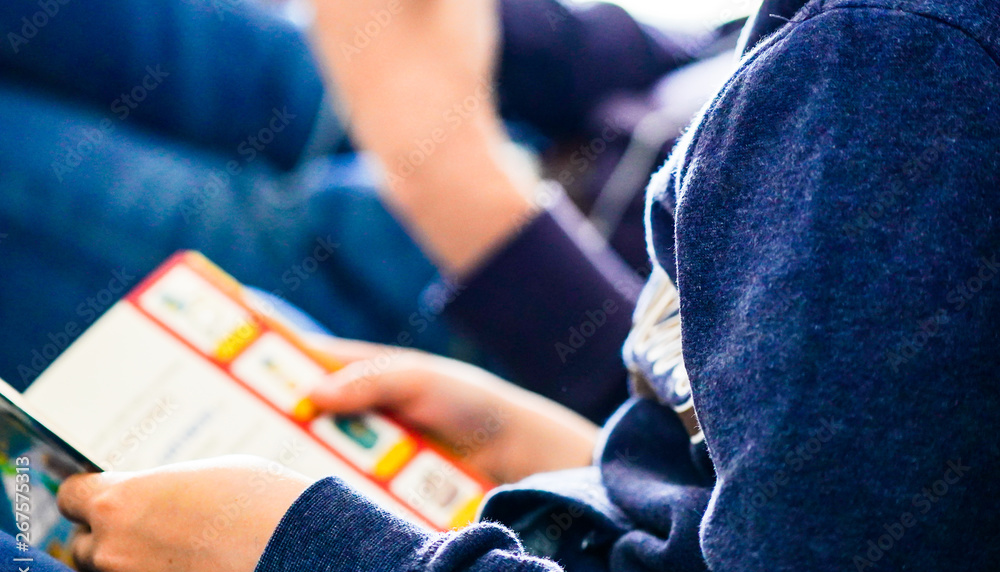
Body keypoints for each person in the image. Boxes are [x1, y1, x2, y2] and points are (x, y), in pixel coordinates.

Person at [6, 0, 999, 572]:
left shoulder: (916, 68)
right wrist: (576, 447)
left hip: (492, 564)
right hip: (562, 489)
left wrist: (295, 564)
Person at [0, 0, 735, 424]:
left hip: (504, 309)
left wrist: (462, 187)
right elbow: (690, 66)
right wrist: (459, 31)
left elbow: (696, 457)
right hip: (511, 138)